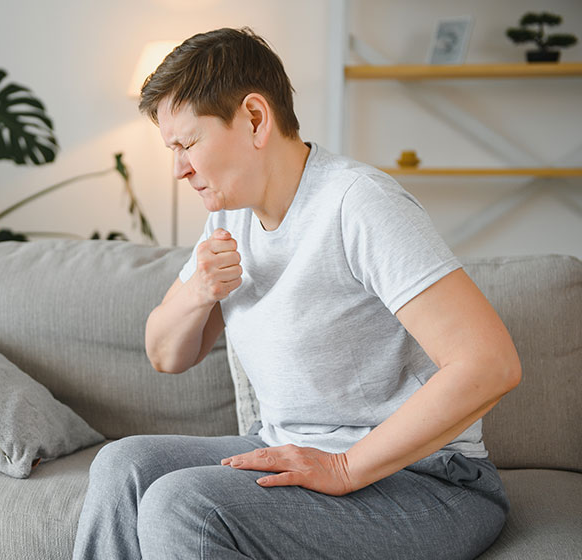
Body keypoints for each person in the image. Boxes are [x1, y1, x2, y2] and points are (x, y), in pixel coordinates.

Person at [72, 27, 521, 560]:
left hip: (433, 481)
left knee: (184, 502)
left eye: (188, 143)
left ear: (255, 118)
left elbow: (490, 364)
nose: (178, 169)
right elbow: (165, 354)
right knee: (122, 467)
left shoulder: (357, 204)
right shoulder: (228, 217)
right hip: (289, 452)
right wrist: (198, 291)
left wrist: (343, 466)